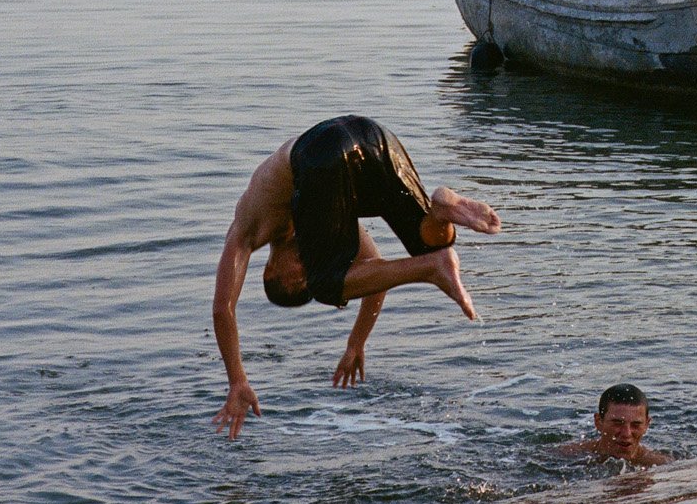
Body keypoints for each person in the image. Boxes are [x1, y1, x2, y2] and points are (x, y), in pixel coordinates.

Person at [210, 116, 501, 442]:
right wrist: (356, 343)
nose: (305, 272)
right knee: (430, 240)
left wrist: (237, 381)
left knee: (327, 284)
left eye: (297, 281)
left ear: (271, 271)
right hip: (372, 137)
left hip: (319, 151)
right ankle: (443, 208)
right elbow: (374, 269)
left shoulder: (248, 229)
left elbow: (223, 309)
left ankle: (431, 269)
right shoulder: (319, 215)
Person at [557, 383, 669, 467]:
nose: (626, 433)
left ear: (646, 425)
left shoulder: (659, 464)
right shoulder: (570, 454)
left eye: (636, 425)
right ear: (598, 422)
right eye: (618, 423)